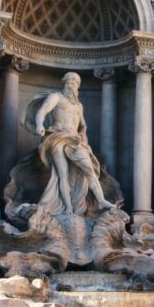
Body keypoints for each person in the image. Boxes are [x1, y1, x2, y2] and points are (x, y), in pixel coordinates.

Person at [24, 72, 115, 216]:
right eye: (69, 81)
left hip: (75, 141)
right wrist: (39, 125)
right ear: (64, 83)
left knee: (89, 169)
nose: (71, 84)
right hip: (57, 138)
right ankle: (68, 208)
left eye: (74, 82)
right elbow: (42, 111)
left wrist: (83, 134)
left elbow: (83, 125)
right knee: (62, 175)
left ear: (78, 86)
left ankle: (101, 200)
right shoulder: (56, 97)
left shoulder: (79, 106)